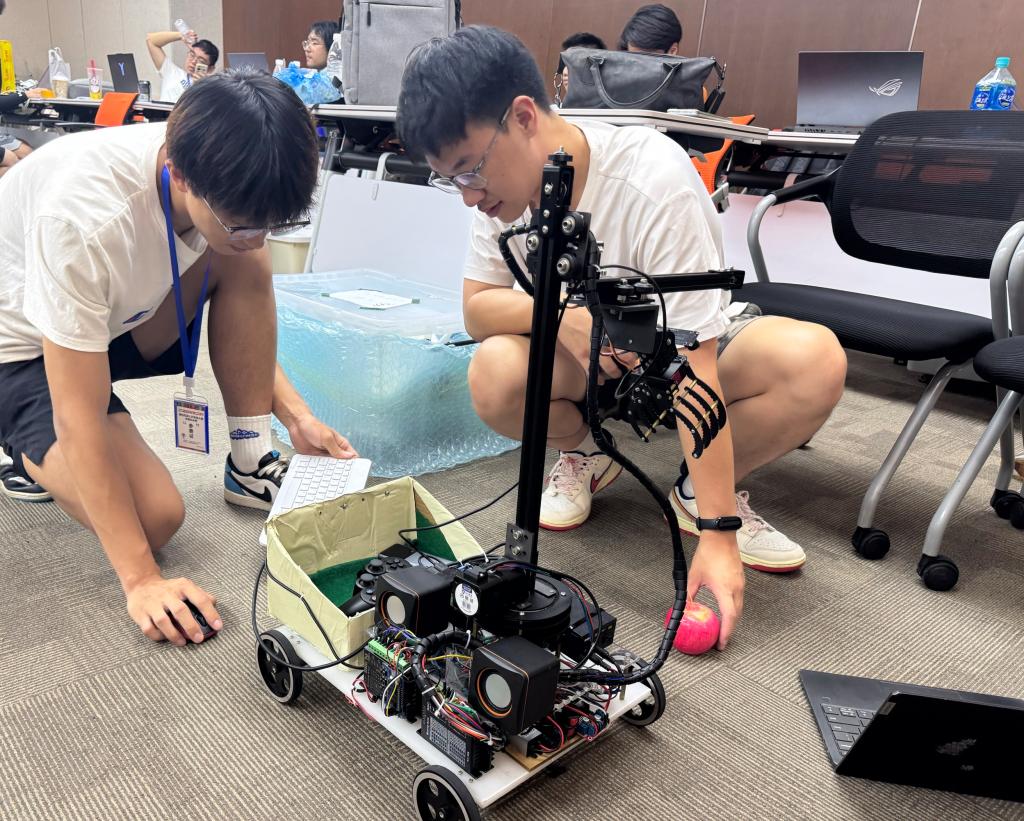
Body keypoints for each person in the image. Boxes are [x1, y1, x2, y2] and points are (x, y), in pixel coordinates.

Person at [396, 26, 847, 650]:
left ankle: (697, 490)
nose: (469, 197)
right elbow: (478, 309)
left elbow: (697, 365)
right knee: (495, 370)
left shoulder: (652, 178)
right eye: (449, 179)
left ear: (523, 117)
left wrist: (717, 531)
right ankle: (590, 452)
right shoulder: (504, 197)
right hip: (590, 366)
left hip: (677, 348)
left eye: (469, 169)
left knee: (814, 360)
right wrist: (568, 316)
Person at [0, 72, 358, 647]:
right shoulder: (82, 220)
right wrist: (141, 580)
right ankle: (21, 447)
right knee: (155, 519)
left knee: (241, 257)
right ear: (180, 173)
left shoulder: (214, 168)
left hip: (116, 319)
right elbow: (77, 414)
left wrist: (296, 417)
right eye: (243, 221)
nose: (259, 235)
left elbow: (242, 254)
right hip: (22, 348)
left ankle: (250, 460)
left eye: (275, 223)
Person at [146, 27, 220, 103]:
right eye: (192, 55)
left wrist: (200, 87)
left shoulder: (212, 90)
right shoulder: (172, 72)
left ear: (210, 69)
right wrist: (181, 35)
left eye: (201, 61)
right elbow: (151, 40)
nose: (194, 61)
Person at [554, 32, 606, 105]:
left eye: (575, 64)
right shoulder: (552, 111)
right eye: (564, 64)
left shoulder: (616, 111)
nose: (565, 72)